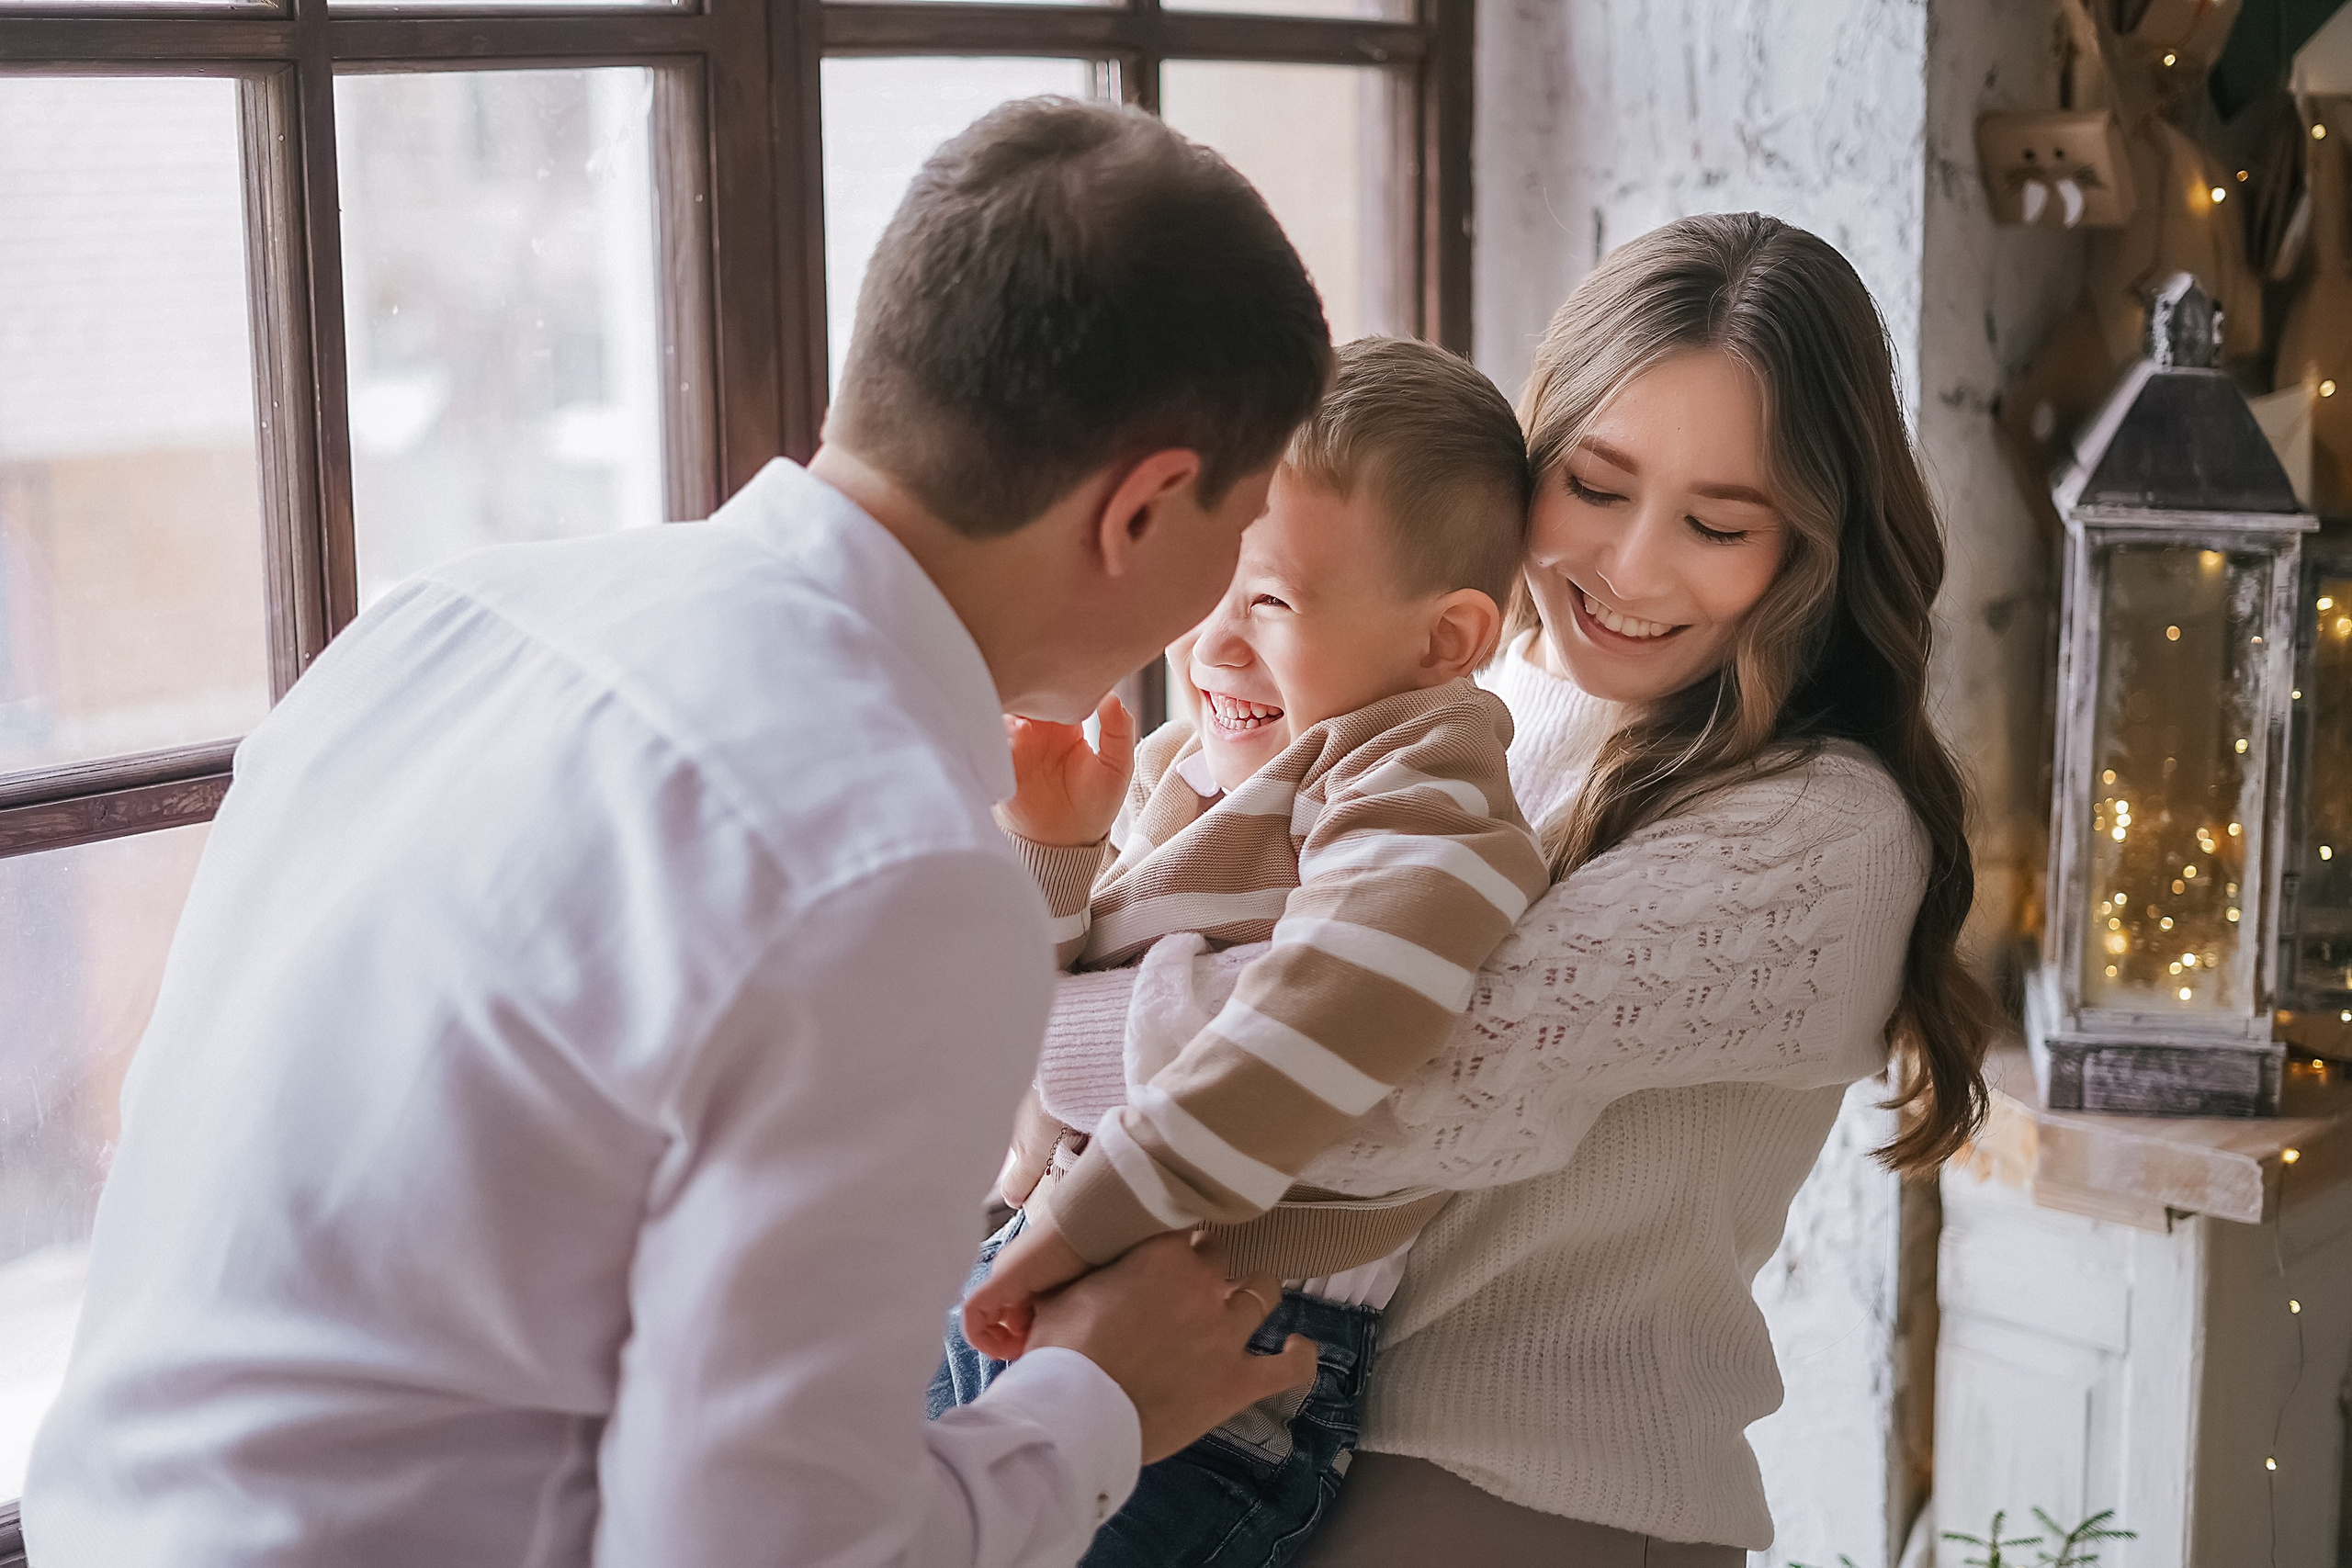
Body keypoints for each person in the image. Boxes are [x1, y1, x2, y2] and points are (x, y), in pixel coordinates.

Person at [23, 98, 1329, 1568]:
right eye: (1246, 520)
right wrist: (1093, 1403)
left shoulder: (444, 619)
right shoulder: (888, 870)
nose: (1231, 589)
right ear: (1146, 504)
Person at [1032, 211, 1999, 1565]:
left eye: (1719, 524)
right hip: (1261, 1434)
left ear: (1812, 548)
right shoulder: (1456, 697)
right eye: (1596, 488)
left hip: (1531, 1498)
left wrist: (1021, 1027)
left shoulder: (1821, 834)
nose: (1631, 568)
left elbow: (1381, 1085)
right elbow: (1183, 895)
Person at [933, 338, 1548, 1568]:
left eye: (1269, 602)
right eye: (1208, 583)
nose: (1212, 646)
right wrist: (1058, 857)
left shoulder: (1421, 782)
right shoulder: (1188, 770)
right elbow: (1033, 1040)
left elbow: (1336, 1007)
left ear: (1444, 642)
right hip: (1049, 1272)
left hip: (1222, 1376)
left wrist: (1093, 1209)